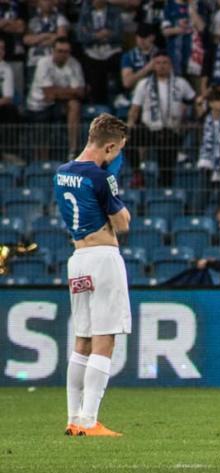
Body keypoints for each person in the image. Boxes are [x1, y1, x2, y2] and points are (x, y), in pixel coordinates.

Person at [55, 114, 131, 437]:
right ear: (109, 146)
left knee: (81, 341)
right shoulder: (100, 178)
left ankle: (74, 418)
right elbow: (123, 224)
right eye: (118, 151)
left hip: (78, 259)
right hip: (103, 258)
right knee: (105, 340)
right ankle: (89, 420)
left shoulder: (61, 173)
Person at [127, 52, 197, 187]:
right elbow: (135, 108)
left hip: (171, 131)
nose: (161, 66)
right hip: (150, 129)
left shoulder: (180, 83)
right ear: (153, 65)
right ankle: (137, 173)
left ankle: (164, 193)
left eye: (165, 63)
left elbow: (194, 101)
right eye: (158, 63)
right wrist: (130, 123)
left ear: (170, 65)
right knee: (129, 140)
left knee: (166, 168)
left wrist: (192, 117)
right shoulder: (144, 84)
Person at [26, 37, 84, 159]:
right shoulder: (43, 63)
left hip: (58, 104)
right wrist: (69, 91)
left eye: (66, 51)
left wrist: (57, 91)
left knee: (75, 104)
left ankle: (73, 151)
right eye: (59, 51)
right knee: (41, 142)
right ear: (53, 51)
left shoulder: (74, 64)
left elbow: (80, 93)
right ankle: (42, 164)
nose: (63, 54)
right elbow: (48, 94)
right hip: (38, 106)